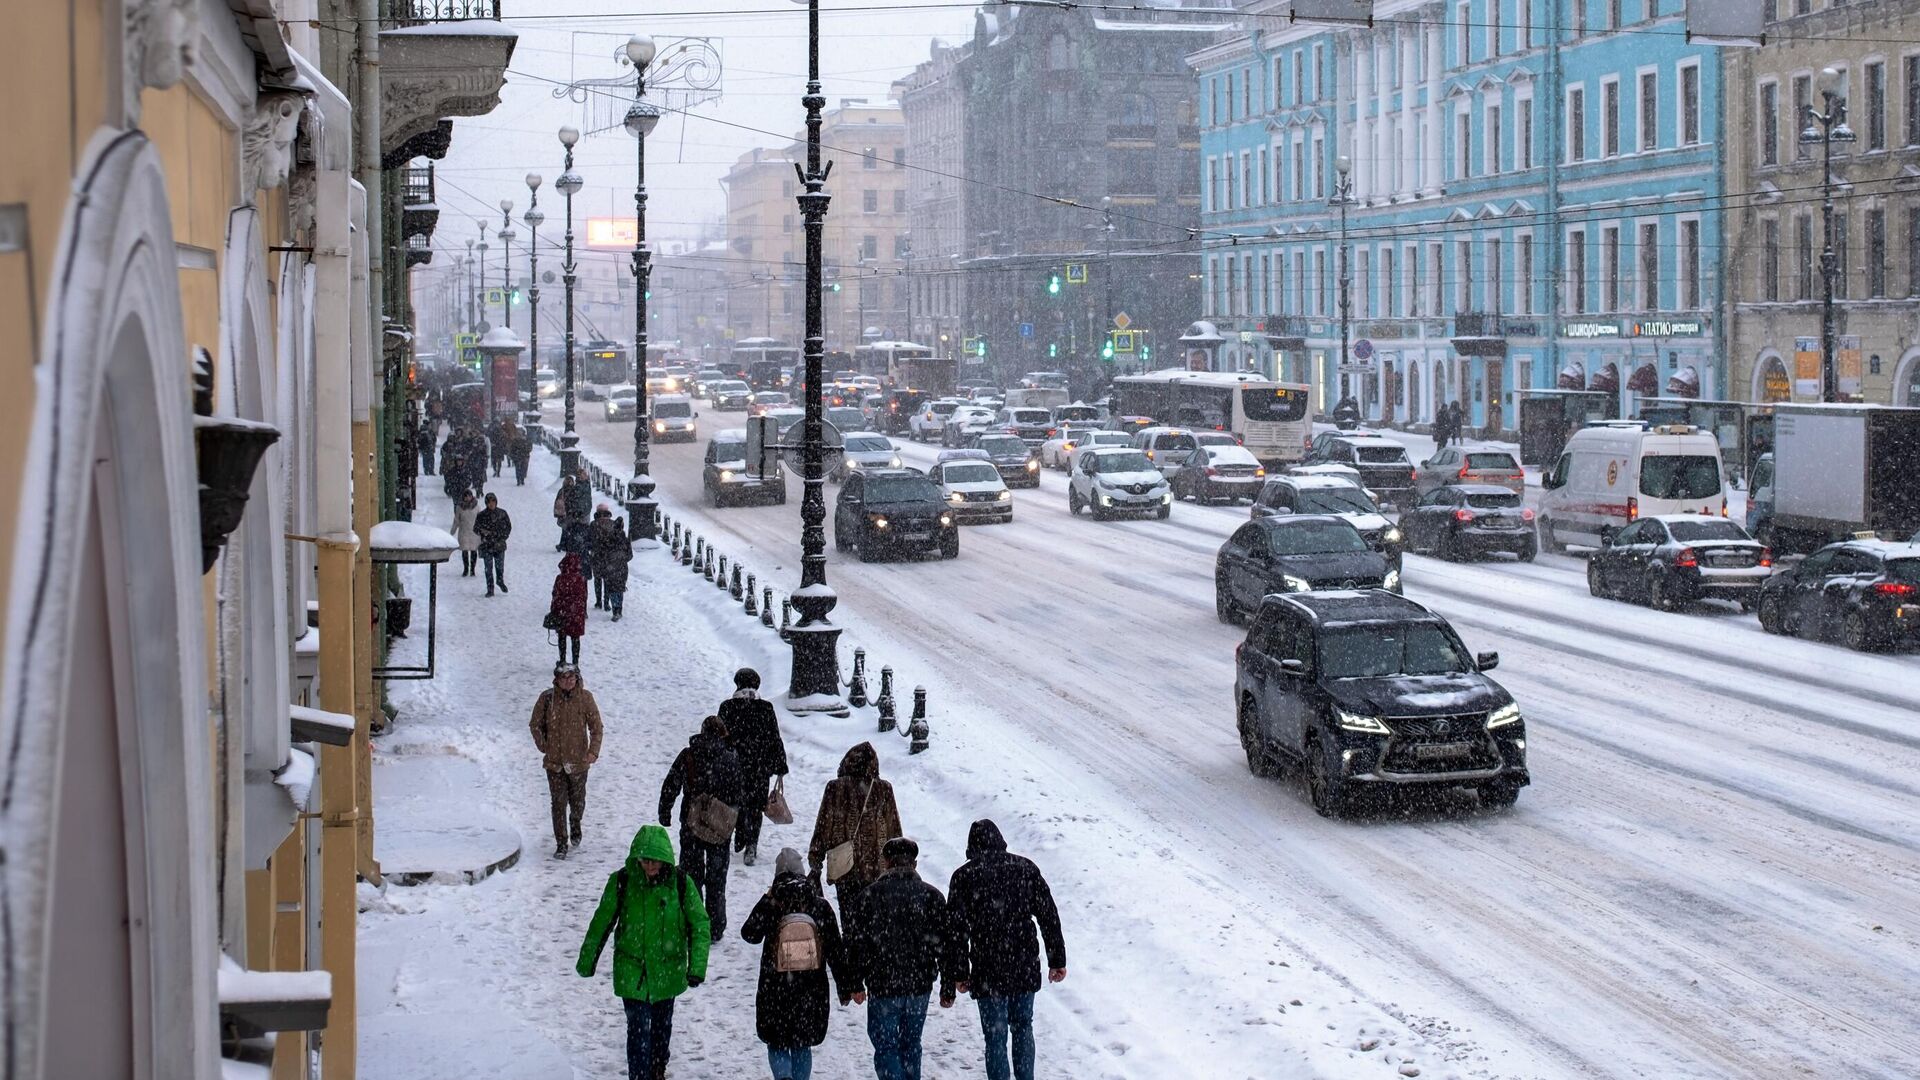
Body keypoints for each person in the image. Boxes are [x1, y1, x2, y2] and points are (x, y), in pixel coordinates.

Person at [577, 824, 711, 1080]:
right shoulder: (623, 882)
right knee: (638, 1029)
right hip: (632, 969)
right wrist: (587, 960)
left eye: (655, 862)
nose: (650, 867)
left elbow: (700, 924)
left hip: (667, 971)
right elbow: (601, 922)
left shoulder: (680, 884)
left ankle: (657, 1067)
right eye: (645, 861)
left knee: (661, 1028)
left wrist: (696, 967)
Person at [946, 820, 1067, 1080]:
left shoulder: (964, 876)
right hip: (1023, 962)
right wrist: (1057, 959)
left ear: (971, 847)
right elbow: (1048, 916)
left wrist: (959, 972)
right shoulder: (1025, 868)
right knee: (1023, 1026)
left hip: (987, 965)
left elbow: (956, 931)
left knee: (995, 1036)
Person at [740, 848, 853, 1080]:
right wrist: (845, 987)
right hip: (811, 989)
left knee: (777, 1042)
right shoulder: (819, 906)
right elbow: (836, 951)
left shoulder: (773, 904)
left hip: (776, 987)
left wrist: (767, 900)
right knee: (802, 1044)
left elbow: (749, 934)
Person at [848, 837, 952, 1080]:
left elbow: (857, 945)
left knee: (886, 1047)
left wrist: (854, 982)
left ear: (886, 862)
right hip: (919, 984)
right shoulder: (932, 897)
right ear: (914, 864)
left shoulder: (868, 897)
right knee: (911, 1044)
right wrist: (947, 985)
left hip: (883, 984)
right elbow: (945, 947)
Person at [659, 715, 743, 936]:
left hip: (692, 821)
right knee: (717, 879)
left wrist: (665, 810)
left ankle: (692, 921)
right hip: (720, 825)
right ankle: (715, 926)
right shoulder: (730, 757)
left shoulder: (688, 755)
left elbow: (671, 783)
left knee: (690, 875)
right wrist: (740, 826)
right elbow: (738, 793)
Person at [807, 742, 902, 930]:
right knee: (875, 923)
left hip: (846, 868)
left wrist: (815, 859)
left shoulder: (835, 788)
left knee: (849, 921)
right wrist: (900, 863)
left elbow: (823, 826)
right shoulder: (884, 789)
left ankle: (852, 952)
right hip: (878, 869)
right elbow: (894, 829)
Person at [530, 662, 602, 859]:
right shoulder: (547, 699)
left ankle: (575, 823)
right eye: (564, 677)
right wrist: (544, 745)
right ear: (557, 680)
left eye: (572, 677)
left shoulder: (585, 698)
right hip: (555, 763)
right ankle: (561, 842)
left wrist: (592, 751)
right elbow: (535, 724)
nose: (568, 681)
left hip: (579, 763)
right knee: (558, 803)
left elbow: (596, 727)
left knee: (577, 802)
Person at [721, 668, 789, 867]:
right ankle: (751, 843)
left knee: (736, 802)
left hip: (735, 767)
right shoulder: (765, 708)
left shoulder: (727, 707)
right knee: (756, 806)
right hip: (760, 768)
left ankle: (740, 835)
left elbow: (721, 737)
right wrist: (780, 764)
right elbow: (774, 737)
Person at [548, 553, 587, 664]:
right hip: (576, 613)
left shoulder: (560, 578)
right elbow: (584, 596)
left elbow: (555, 595)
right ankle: (575, 662)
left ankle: (562, 659)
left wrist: (554, 610)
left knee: (562, 636)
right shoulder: (580, 579)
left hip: (562, 612)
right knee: (575, 638)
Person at [596, 515, 634, 621]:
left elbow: (602, 553)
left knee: (612, 589)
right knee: (620, 589)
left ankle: (615, 610)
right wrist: (622, 559)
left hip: (610, 567)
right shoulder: (625, 540)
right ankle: (619, 610)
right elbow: (630, 555)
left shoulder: (607, 539)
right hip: (621, 568)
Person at [474, 492, 512, 596]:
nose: (491, 504)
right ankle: (490, 589)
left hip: (499, 544)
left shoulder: (502, 513)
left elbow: (508, 527)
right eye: (489, 502)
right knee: (488, 568)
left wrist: (502, 536)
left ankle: (500, 581)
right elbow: (476, 529)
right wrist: (484, 533)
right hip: (487, 545)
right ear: (486, 503)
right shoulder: (481, 515)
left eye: (493, 501)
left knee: (499, 566)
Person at [588, 506, 622, 611]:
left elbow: (589, 540)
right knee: (607, 581)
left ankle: (598, 602)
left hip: (597, 555)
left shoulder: (593, 524)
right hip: (608, 557)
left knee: (597, 579)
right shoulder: (612, 524)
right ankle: (606, 603)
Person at [450, 488, 481, 577]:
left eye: (469, 496)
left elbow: (481, 519)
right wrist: (452, 531)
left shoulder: (477, 507)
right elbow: (456, 520)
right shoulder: (459, 507)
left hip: (474, 532)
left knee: (474, 551)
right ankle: (466, 568)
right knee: (464, 551)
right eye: (466, 496)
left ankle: (472, 570)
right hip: (464, 531)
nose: (467, 498)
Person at [509, 421, 533, 486]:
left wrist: (512, 455)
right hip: (523, 456)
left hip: (519, 456)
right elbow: (530, 448)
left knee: (518, 468)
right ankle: (521, 479)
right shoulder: (526, 440)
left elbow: (512, 449)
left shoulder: (516, 440)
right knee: (522, 468)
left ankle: (519, 480)